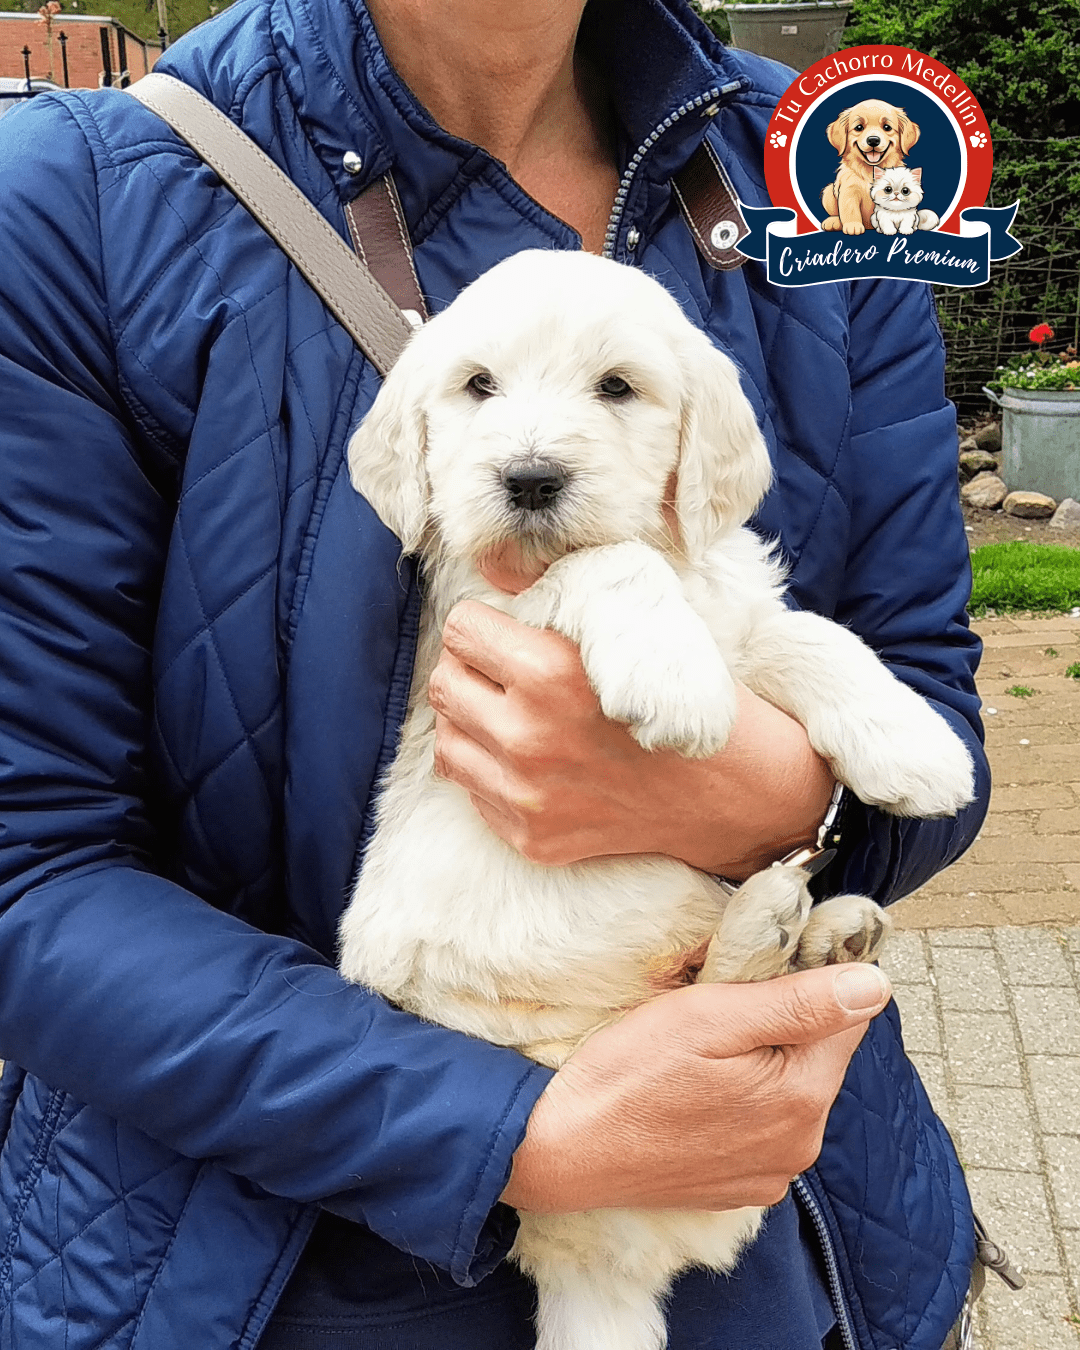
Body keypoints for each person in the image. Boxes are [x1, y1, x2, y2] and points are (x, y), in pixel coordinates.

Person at [0, 0, 989, 1345]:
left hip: (767, 1230)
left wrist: (767, 801)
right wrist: (520, 1127)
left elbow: (930, 724)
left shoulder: (816, 168)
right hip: (256, 1275)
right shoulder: (80, 199)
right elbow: (30, 874)